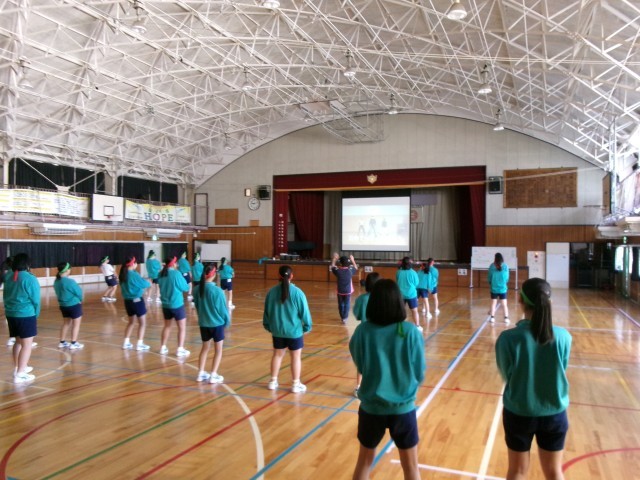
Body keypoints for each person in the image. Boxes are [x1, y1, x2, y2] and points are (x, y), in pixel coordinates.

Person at [495, 278, 572, 480]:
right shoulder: (564, 337)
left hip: (519, 412)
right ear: (550, 302)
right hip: (554, 413)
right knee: (554, 472)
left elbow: (506, 374)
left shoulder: (508, 338)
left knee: (517, 471)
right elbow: (561, 369)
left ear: (520, 300)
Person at [349, 279, 426, 480]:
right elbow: (419, 372)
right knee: (411, 467)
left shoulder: (363, 331)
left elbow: (360, 364)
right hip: (403, 409)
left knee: (364, 462)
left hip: (371, 408)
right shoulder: (409, 331)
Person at [263, 265, 312, 393]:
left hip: (277, 331)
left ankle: (273, 381)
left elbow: (267, 312)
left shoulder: (271, 292)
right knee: (295, 357)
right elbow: (305, 312)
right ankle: (295, 384)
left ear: (278, 276)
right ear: (292, 276)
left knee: (277, 355)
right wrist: (307, 326)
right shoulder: (298, 293)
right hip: (294, 332)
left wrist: (268, 326)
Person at [4, 253, 40, 384]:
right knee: (27, 345)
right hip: (25, 315)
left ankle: (18, 368)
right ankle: (20, 374)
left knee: (18, 342)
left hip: (11, 314)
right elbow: (36, 299)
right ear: (27, 264)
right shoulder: (30, 278)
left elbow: (5, 296)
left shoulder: (9, 276)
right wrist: (36, 314)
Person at [193, 263, 230, 383]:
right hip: (217, 324)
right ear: (213, 275)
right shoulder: (217, 291)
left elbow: (197, 306)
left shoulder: (197, 289)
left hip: (203, 323)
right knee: (218, 350)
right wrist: (227, 321)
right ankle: (213, 375)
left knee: (205, 348)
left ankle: (200, 373)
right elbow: (223, 310)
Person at [352, 271, 380, 397]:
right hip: (379, 334)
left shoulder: (361, 299)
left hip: (364, 334)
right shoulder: (382, 299)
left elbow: (357, 315)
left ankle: (359, 387)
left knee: (362, 361)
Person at [158, 256, 191, 357]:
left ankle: (163, 347)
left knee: (167, 326)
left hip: (165, 305)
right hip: (177, 305)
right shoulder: (176, 274)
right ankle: (180, 349)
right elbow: (185, 287)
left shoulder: (161, 274)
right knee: (182, 328)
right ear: (173, 264)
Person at [119, 256, 151, 351]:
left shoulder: (123, 274)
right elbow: (145, 284)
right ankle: (140, 344)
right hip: (137, 301)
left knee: (131, 322)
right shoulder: (134, 274)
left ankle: (126, 343)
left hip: (127, 302)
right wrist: (148, 282)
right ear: (133, 264)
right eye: (136, 263)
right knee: (142, 323)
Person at [53, 262, 84, 350]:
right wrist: (80, 300)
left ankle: (62, 342)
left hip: (63, 306)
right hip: (74, 305)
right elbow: (79, 292)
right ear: (67, 270)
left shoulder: (56, 281)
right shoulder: (70, 281)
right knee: (76, 324)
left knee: (66, 323)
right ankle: (73, 343)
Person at [330, 253, 358, 324]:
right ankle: (345, 317)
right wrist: (353, 260)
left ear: (340, 263)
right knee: (347, 304)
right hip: (348, 291)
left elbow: (332, 267)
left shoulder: (338, 271)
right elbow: (356, 267)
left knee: (341, 304)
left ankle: (342, 317)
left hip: (340, 291)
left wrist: (334, 259)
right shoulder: (350, 271)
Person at [396, 256, 422, 331]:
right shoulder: (413, 272)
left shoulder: (398, 272)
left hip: (401, 295)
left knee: (401, 311)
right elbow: (416, 283)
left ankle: (401, 326)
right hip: (411, 295)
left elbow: (397, 281)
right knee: (414, 311)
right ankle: (417, 326)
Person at [488, 252, 510, 324]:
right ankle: (506, 318)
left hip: (494, 288)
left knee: (493, 303)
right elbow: (507, 278)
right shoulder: (505, 266)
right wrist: (504, 283)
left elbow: (489, 277)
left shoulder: (492, 266)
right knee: (504, 304)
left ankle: (492, 318)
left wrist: (490, 283)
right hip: (503, 288)